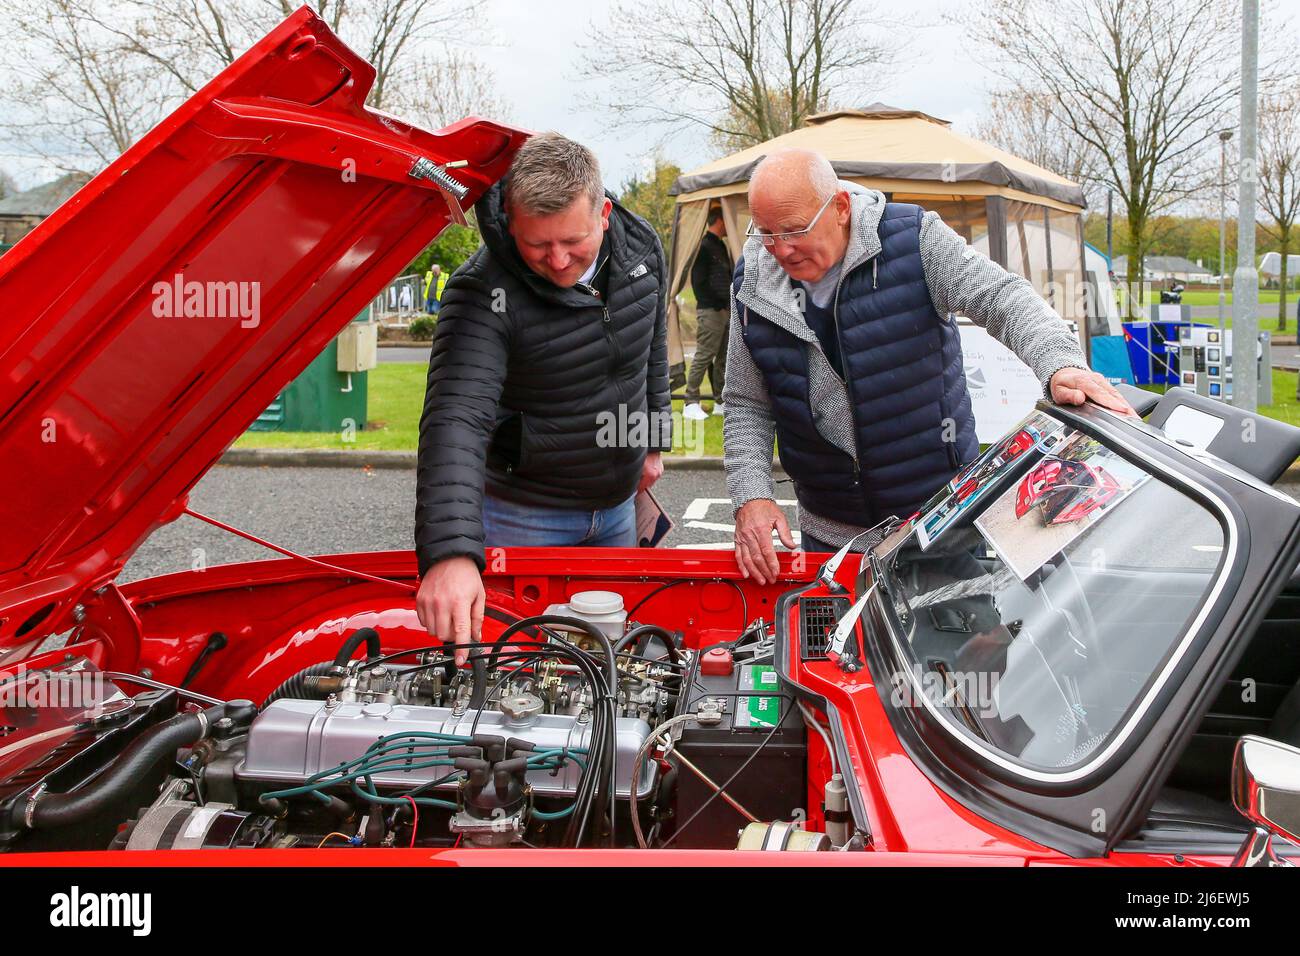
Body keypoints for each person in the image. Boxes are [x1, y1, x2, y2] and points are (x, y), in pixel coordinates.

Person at [723, 149, 1134, 583]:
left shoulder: (913, 239)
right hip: (830, 534)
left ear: (840, 207)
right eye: (765, 232)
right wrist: (751, 495)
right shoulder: (752, 280)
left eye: (794, 230)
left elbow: (1000, 296)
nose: (780, 249)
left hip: (936, 523)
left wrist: (1058, 363)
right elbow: (747, 401)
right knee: (838, 651)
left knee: (965, 646)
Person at [414, 132, 671, 664]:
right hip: (524, 513)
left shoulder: (643, 250)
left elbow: (651, 348)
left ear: (603, 213)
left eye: (572, 242)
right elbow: (456, 419)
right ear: (510, 220)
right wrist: (452, 554)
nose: (557, 261)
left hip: (619, 505)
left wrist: (652, 441)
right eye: (537, 245)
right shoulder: (482, 291)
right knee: (521, 668)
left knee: (613, 662)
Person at [683, 206, 733, 420]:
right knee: (704, 356)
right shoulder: (703, 247)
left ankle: (720, 401)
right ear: (720, 220)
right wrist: (716, 303)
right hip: (711, 311)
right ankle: (690, 402)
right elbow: (699, 282)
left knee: (723, 357)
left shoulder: (720, 246)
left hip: (724, 310)